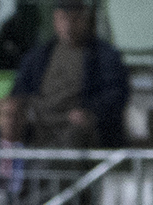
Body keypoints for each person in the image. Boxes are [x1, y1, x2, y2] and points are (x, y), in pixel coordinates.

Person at [10, 0, 129, 149]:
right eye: (63, 19)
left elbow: (116, 94)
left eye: (75, 19)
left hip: (78, 123)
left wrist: (91, 113)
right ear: (55, 20)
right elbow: (20, 90)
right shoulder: (38, 56)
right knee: (8, 121)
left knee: (76, 134)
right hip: (41, 120)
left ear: (85, 19)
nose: (68, 26)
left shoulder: (104, 56)